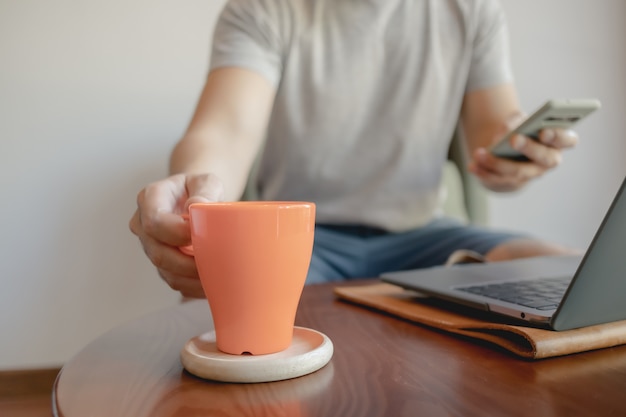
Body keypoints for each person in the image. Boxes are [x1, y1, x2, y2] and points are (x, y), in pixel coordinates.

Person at [130, 0, 578, 298]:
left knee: (573, 275)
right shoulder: (265, 8)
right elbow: (223, 134)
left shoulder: (472, 9)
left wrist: (517, 159)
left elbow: (492, 139)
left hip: (425, 237)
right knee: (247, 313)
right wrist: (194, 192)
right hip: (299, 238)